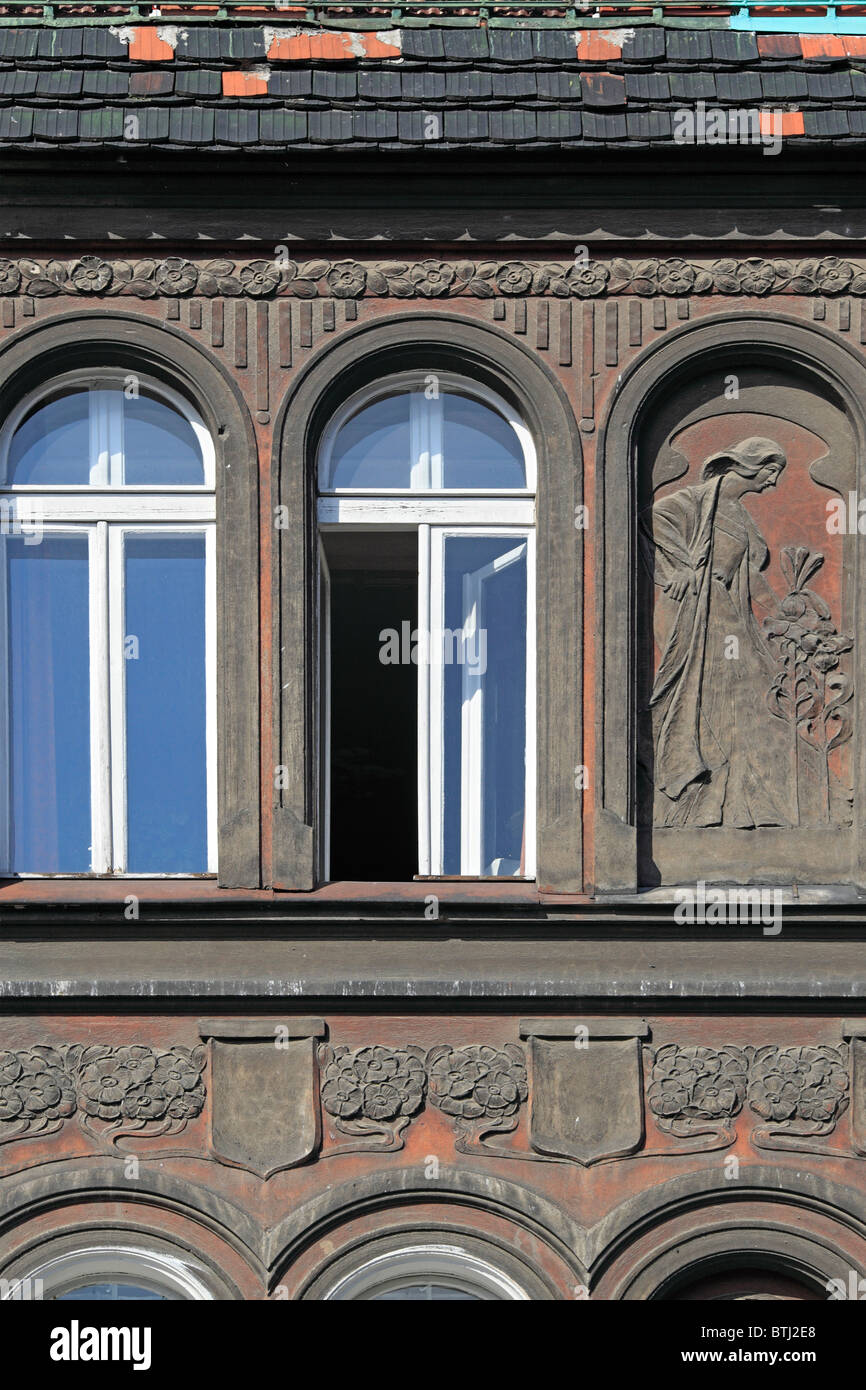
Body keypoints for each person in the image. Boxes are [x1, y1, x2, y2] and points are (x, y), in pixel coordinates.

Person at [639, 436, 793, 828]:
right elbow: (652, 521)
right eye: (771, 472)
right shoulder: (694, 501)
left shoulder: (739, 515)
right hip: (692, 614)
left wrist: (783, 614)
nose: (773, 483)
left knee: (745, 703)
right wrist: (677, 570)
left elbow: (751, 578)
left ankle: (739, 806)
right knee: (710, 703)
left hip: (726, 616)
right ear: (748, 465)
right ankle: (699, 799)